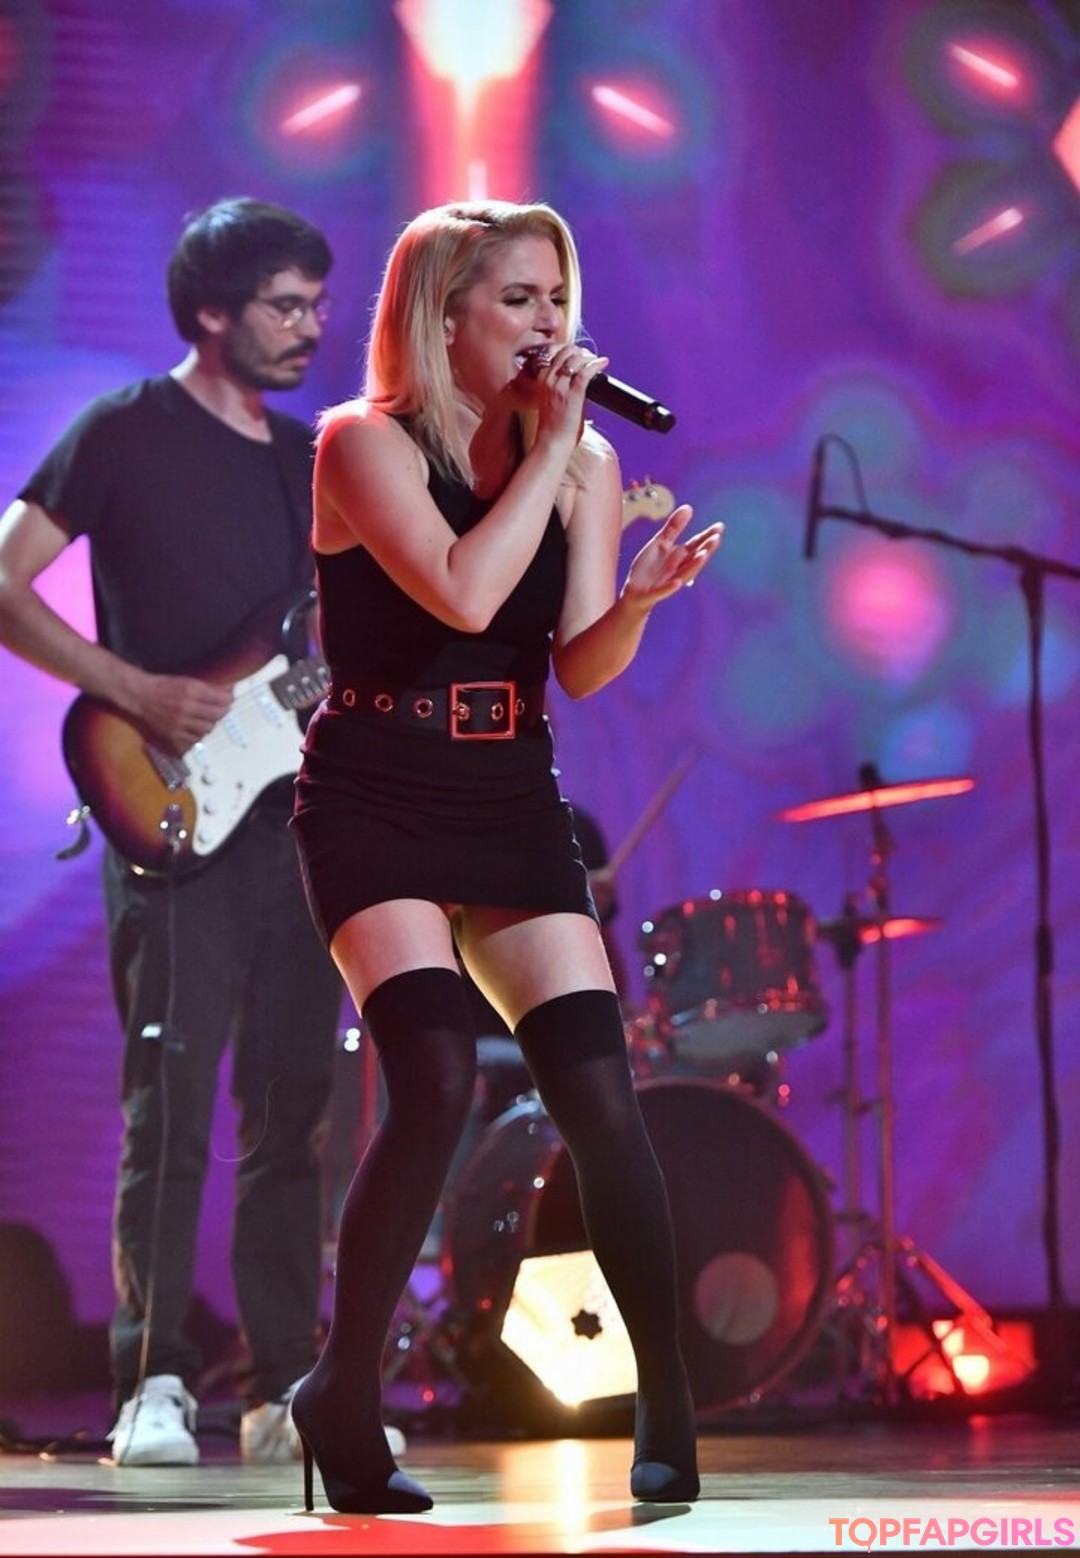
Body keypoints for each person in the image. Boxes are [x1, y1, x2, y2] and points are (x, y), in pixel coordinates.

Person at [288, 197, 723, 1515]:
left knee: (601, 1090)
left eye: (559, 299)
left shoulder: (579, 461)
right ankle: (341, 1390)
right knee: (429, 1078)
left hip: (508, 788)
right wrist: (552, 453)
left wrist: (632, 600)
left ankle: (666, 1395)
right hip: (374, 786)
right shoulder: (363, 443)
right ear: (444, 313)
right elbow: (467, 590)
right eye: (521, 299)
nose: (550, 325)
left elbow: (578, 664)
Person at [0, 197, 358, 1468]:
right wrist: (135, 690)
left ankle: (284, 1383)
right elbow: (3, 575)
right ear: (211, 312)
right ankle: (149, 1378)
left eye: (317, 303)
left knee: (293, 1105)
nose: (310, 326)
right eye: (284, 305)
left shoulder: (314, 459)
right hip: (165, 805)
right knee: (172, 1099)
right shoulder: (125, 431)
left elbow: (338, 636)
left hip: (296, 820)